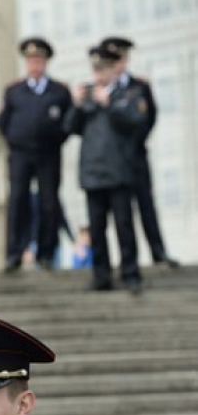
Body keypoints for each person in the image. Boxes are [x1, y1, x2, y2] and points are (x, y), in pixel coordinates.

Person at [64, 46, 146, 293]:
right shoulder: (86, 97)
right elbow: (69, 127)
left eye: (103, 69)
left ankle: (130, 273)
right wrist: (76, 105)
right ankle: (102, 275)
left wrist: (109, 104)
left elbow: (135, 123)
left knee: (124, 226)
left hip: (119, 173)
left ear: (113, 70)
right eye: (96, 69)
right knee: (97, 229)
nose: (98, 75)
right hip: (93, 175)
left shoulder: (128, 94)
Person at [101, 36, 179, 269]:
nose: (117, 63)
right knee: (120, 214)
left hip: (135, 156)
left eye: (121, 58)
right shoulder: (101, 90)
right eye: (112, 59)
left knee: (146, 205)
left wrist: (133, 143)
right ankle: (126, 262)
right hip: (112, 162)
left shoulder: (139, 86)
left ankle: (158, 251)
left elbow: (149, 118)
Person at [0, 38, 72, 273]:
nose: (34, 64)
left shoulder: (59, 91)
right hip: (20, 154)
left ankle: (46, 252)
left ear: (46, 62)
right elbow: (3, 122)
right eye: (30, 60)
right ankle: (14, 253)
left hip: (48, 154)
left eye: (39, 60)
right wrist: (15, 140)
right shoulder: (14, 91)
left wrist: (55, 138)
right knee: (18, 201)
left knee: (49, 203)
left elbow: (68, 123)